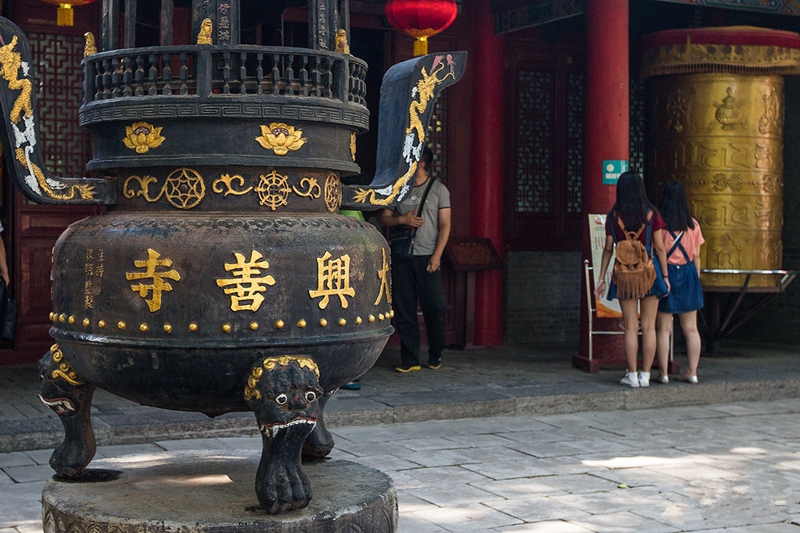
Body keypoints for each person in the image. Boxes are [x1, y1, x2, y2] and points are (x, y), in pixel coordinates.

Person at [594, 171, 670, 388]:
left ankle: (632, 375)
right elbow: (660, 248)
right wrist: (665, 276)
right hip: (649, 273)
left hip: (624, 274)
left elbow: (609, 248)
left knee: (630, 326)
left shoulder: (613, 215)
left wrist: (601, 278)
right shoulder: (652, 214)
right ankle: (646, 375)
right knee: (648, 327)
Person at [380, 147, 451, 373]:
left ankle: (435, 353)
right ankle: (410, 359)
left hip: (428, 256)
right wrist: (402, 219)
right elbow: (385, 219)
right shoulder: (399, 189)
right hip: (402, 256)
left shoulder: (439, 190)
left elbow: (445, 225)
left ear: (421, 163)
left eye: (411, 159)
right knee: (404, 309)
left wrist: (437, 255)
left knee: (434, 308)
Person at [655, 181, 704, 384]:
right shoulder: (693, 225)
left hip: (666, 273)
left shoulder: (661, 225)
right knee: (691, 328)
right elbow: (697, 255)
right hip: (689, 272)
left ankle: (664, 373)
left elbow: (657, 252)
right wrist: (696, 279)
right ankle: (692, 372)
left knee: (663, 328)